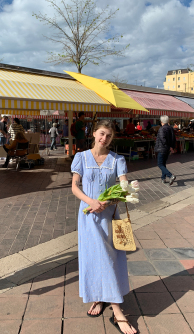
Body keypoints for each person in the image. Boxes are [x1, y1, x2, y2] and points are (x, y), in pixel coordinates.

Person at [71, 120, 137, 334]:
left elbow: (123, 187)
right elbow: (74, 186)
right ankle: (111, 307)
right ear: (94, 133)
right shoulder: (80, 157)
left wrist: (111, 200)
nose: (104, 139)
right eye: (101, 134)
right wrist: (91, 202)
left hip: (109, 216)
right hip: (88, 216)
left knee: (108, 258)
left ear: (112, 138)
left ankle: (109, 303)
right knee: (94, 257)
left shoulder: (117, 159)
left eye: (108, 136)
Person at [155, 115, 176, 185]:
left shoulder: (161, 129)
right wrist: (171, 147)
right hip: (167, 149)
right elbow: (173, 138)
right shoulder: (170, 128)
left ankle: (170, 175)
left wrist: (168, 146)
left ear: (161, 121)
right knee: (163, 163)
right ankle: (163, 178)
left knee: (160, 164)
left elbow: (163, 139)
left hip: (162, 148)